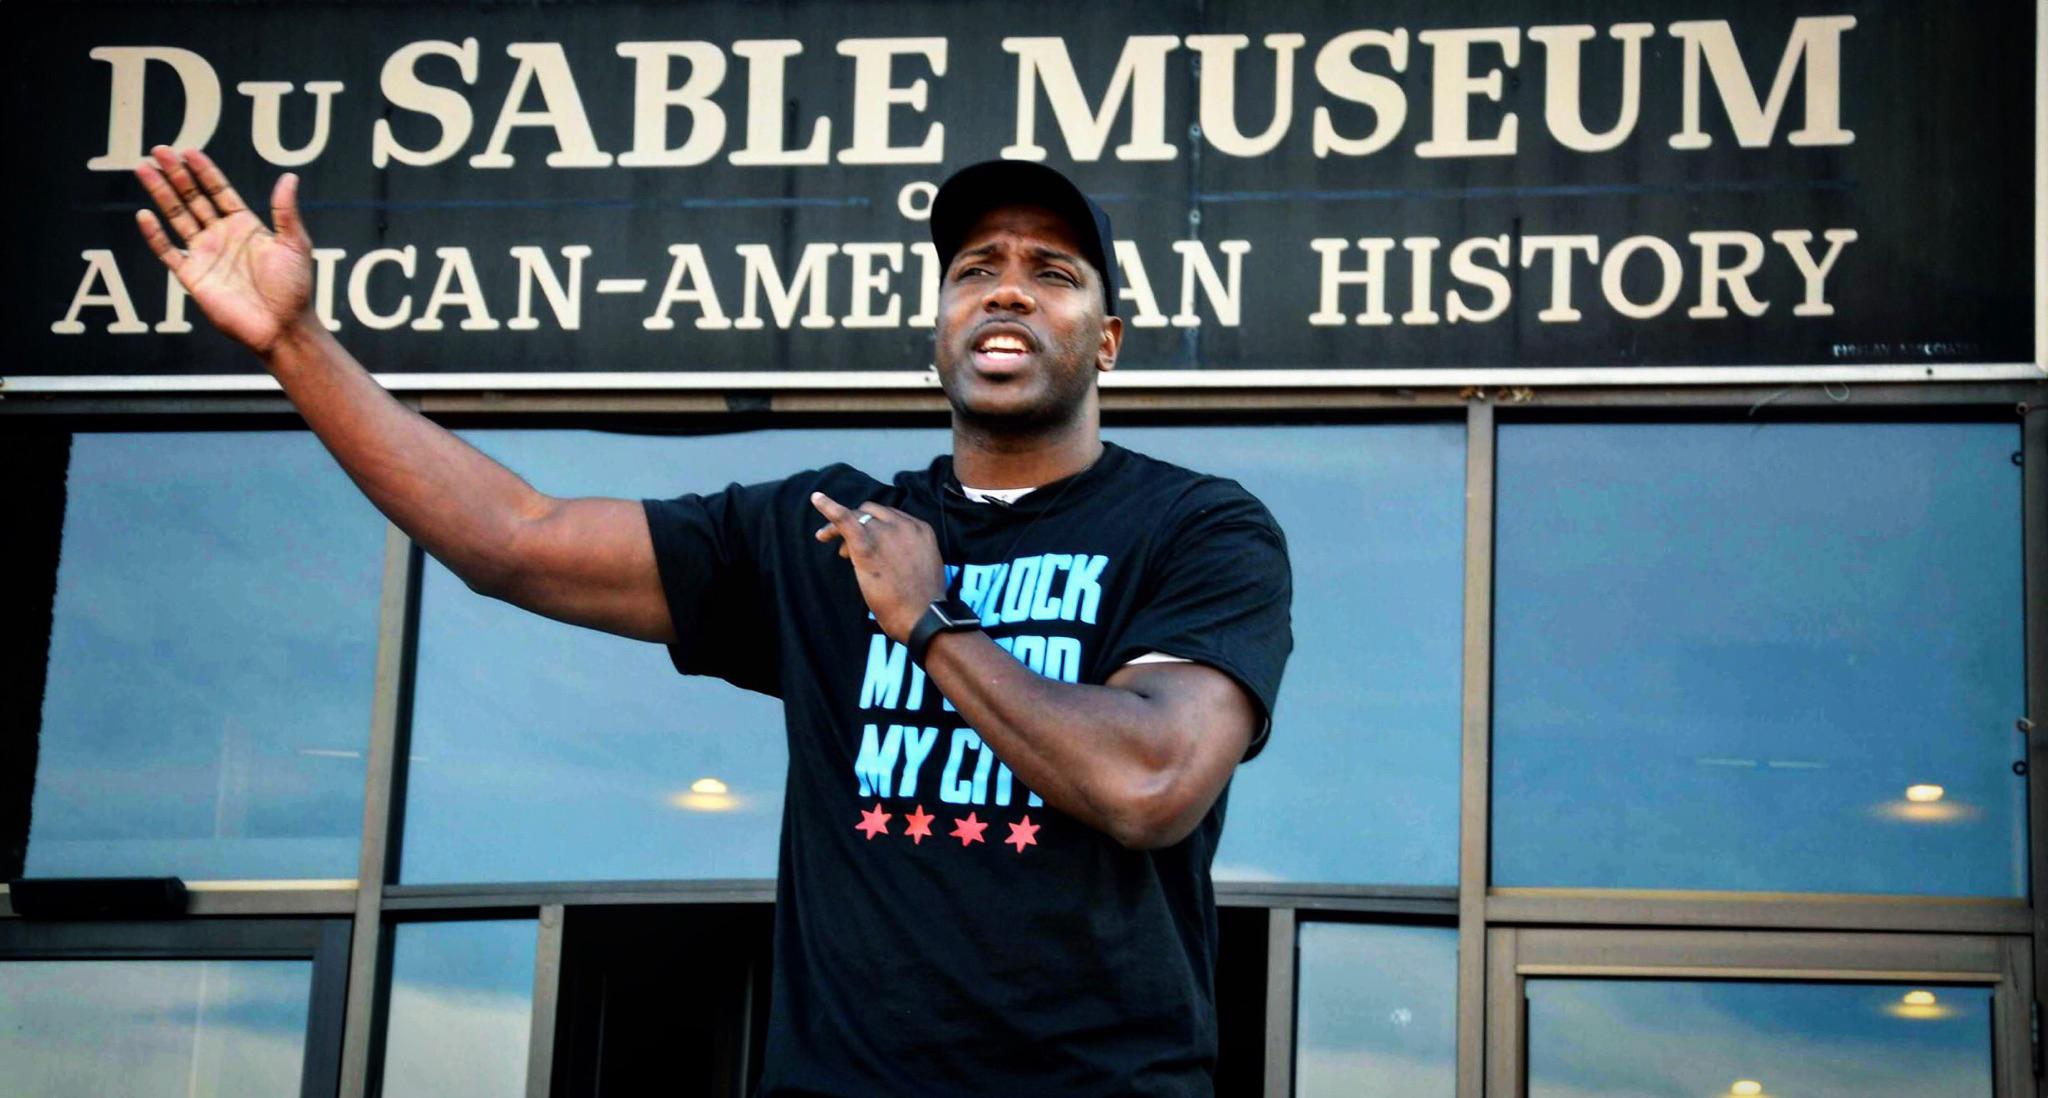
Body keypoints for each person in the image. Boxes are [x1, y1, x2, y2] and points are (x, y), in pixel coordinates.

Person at [133, 148, 1294, 1096]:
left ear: (1105, 341)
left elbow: (1149, 782)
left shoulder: (1194, 529)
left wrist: (931, 622)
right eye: (974, 268)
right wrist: (297, 345)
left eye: (1052, 271)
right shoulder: (826, 528)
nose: (1005, 288)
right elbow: (513, 538)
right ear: (938, 326)